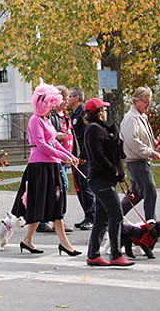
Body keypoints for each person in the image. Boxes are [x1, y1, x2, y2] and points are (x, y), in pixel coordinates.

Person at [10, 84, 80, 256]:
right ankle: (31, 240)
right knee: (38, 203)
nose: (52, 107)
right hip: (39, 167)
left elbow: (54, 142)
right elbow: (41, 145)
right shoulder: (35, 120)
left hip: (52, 165)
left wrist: (68, 154)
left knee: (56, 203)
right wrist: (64, 157)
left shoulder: (47, 120)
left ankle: (58, 243)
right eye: (50, 104)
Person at [84, 98, 134, 266]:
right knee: (116, 214)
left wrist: (119, 174)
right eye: (103, 110)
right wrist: (114, 170)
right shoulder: (93, 129)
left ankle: (93, 254)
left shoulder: (101, 128)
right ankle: (116, 254)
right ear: (98, 112)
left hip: (105, 179)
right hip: (100, 179)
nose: (106, 113)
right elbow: (97, 155)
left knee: (102, 217)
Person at [120, 86, 160, 241]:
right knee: (150, 191)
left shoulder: (142, 117)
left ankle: (112, 216)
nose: (148, 105)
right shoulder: (131, 118)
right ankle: (152, 228)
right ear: (136, 101)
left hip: (141, 160)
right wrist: (151, 152)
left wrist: (156, 144)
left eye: (149, 102)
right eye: (145, 102)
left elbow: (144, 141)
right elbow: (133, 142)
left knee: (138, 193)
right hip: (136, 161)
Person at [40, 85, 74, 233]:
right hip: (53, 160)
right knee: (60, 188)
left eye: (66, 99)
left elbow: (72, 136)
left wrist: (72, 155)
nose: (65, 102)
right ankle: (54, 220)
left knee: (60, 189)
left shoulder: (66, 116)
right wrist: (62, 153)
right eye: (63, 99)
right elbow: (47, 142)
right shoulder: (48, 118)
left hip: (63, 158)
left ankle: (55, 220)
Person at [68, 87, 95, 230]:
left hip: (84, 157)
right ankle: (87, 214)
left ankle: (92, 216)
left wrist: (84, 155)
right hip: (75, 156)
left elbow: (86, 137)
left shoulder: (82, 113)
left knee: (86, 187)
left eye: (70, 96)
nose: (68, 99)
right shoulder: (72, 114)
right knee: (79, 187)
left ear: (77, 98)